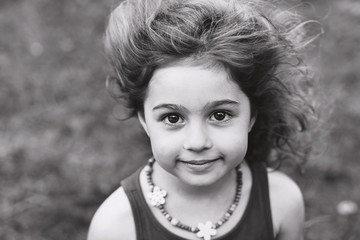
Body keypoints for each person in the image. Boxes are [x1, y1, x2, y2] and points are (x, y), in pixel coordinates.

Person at [88, 0, 319, 239]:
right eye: (173, 117)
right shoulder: (116, 227)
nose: (197, 142)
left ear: (252, 116)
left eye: (220, 115)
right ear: (144, 121)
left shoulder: (281, 201)